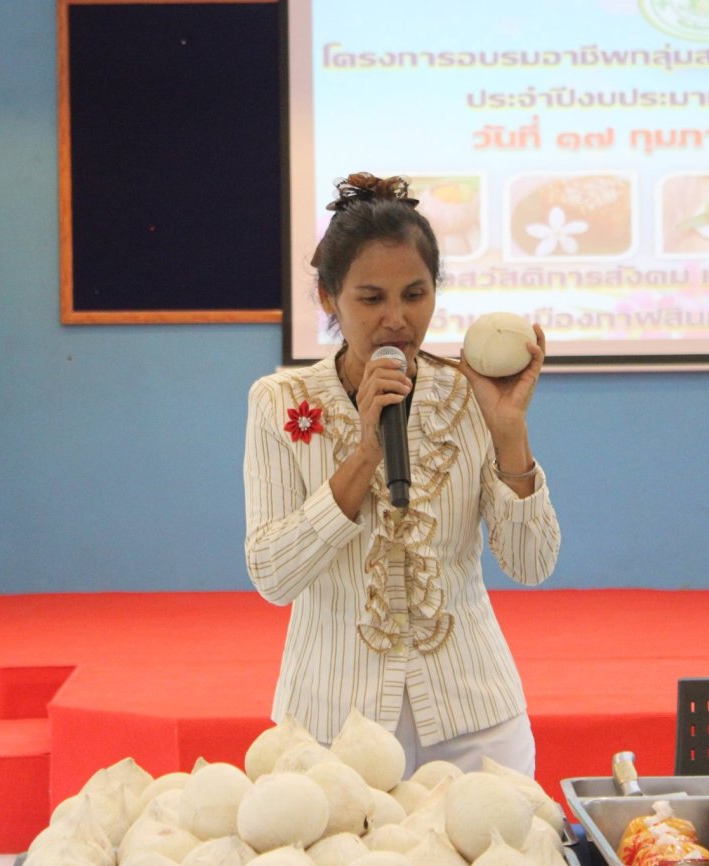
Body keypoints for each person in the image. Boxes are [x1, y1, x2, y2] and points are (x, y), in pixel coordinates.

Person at [243, 172, 560, 778]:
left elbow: (531, 564)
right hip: (332, 723)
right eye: (371, 299)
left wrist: (509, 431)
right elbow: (273, 576)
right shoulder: (280, 402)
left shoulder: (469, 394)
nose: (396, 319)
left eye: (415, 294)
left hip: (475, 717)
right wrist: (365, 452)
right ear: (328, 299)